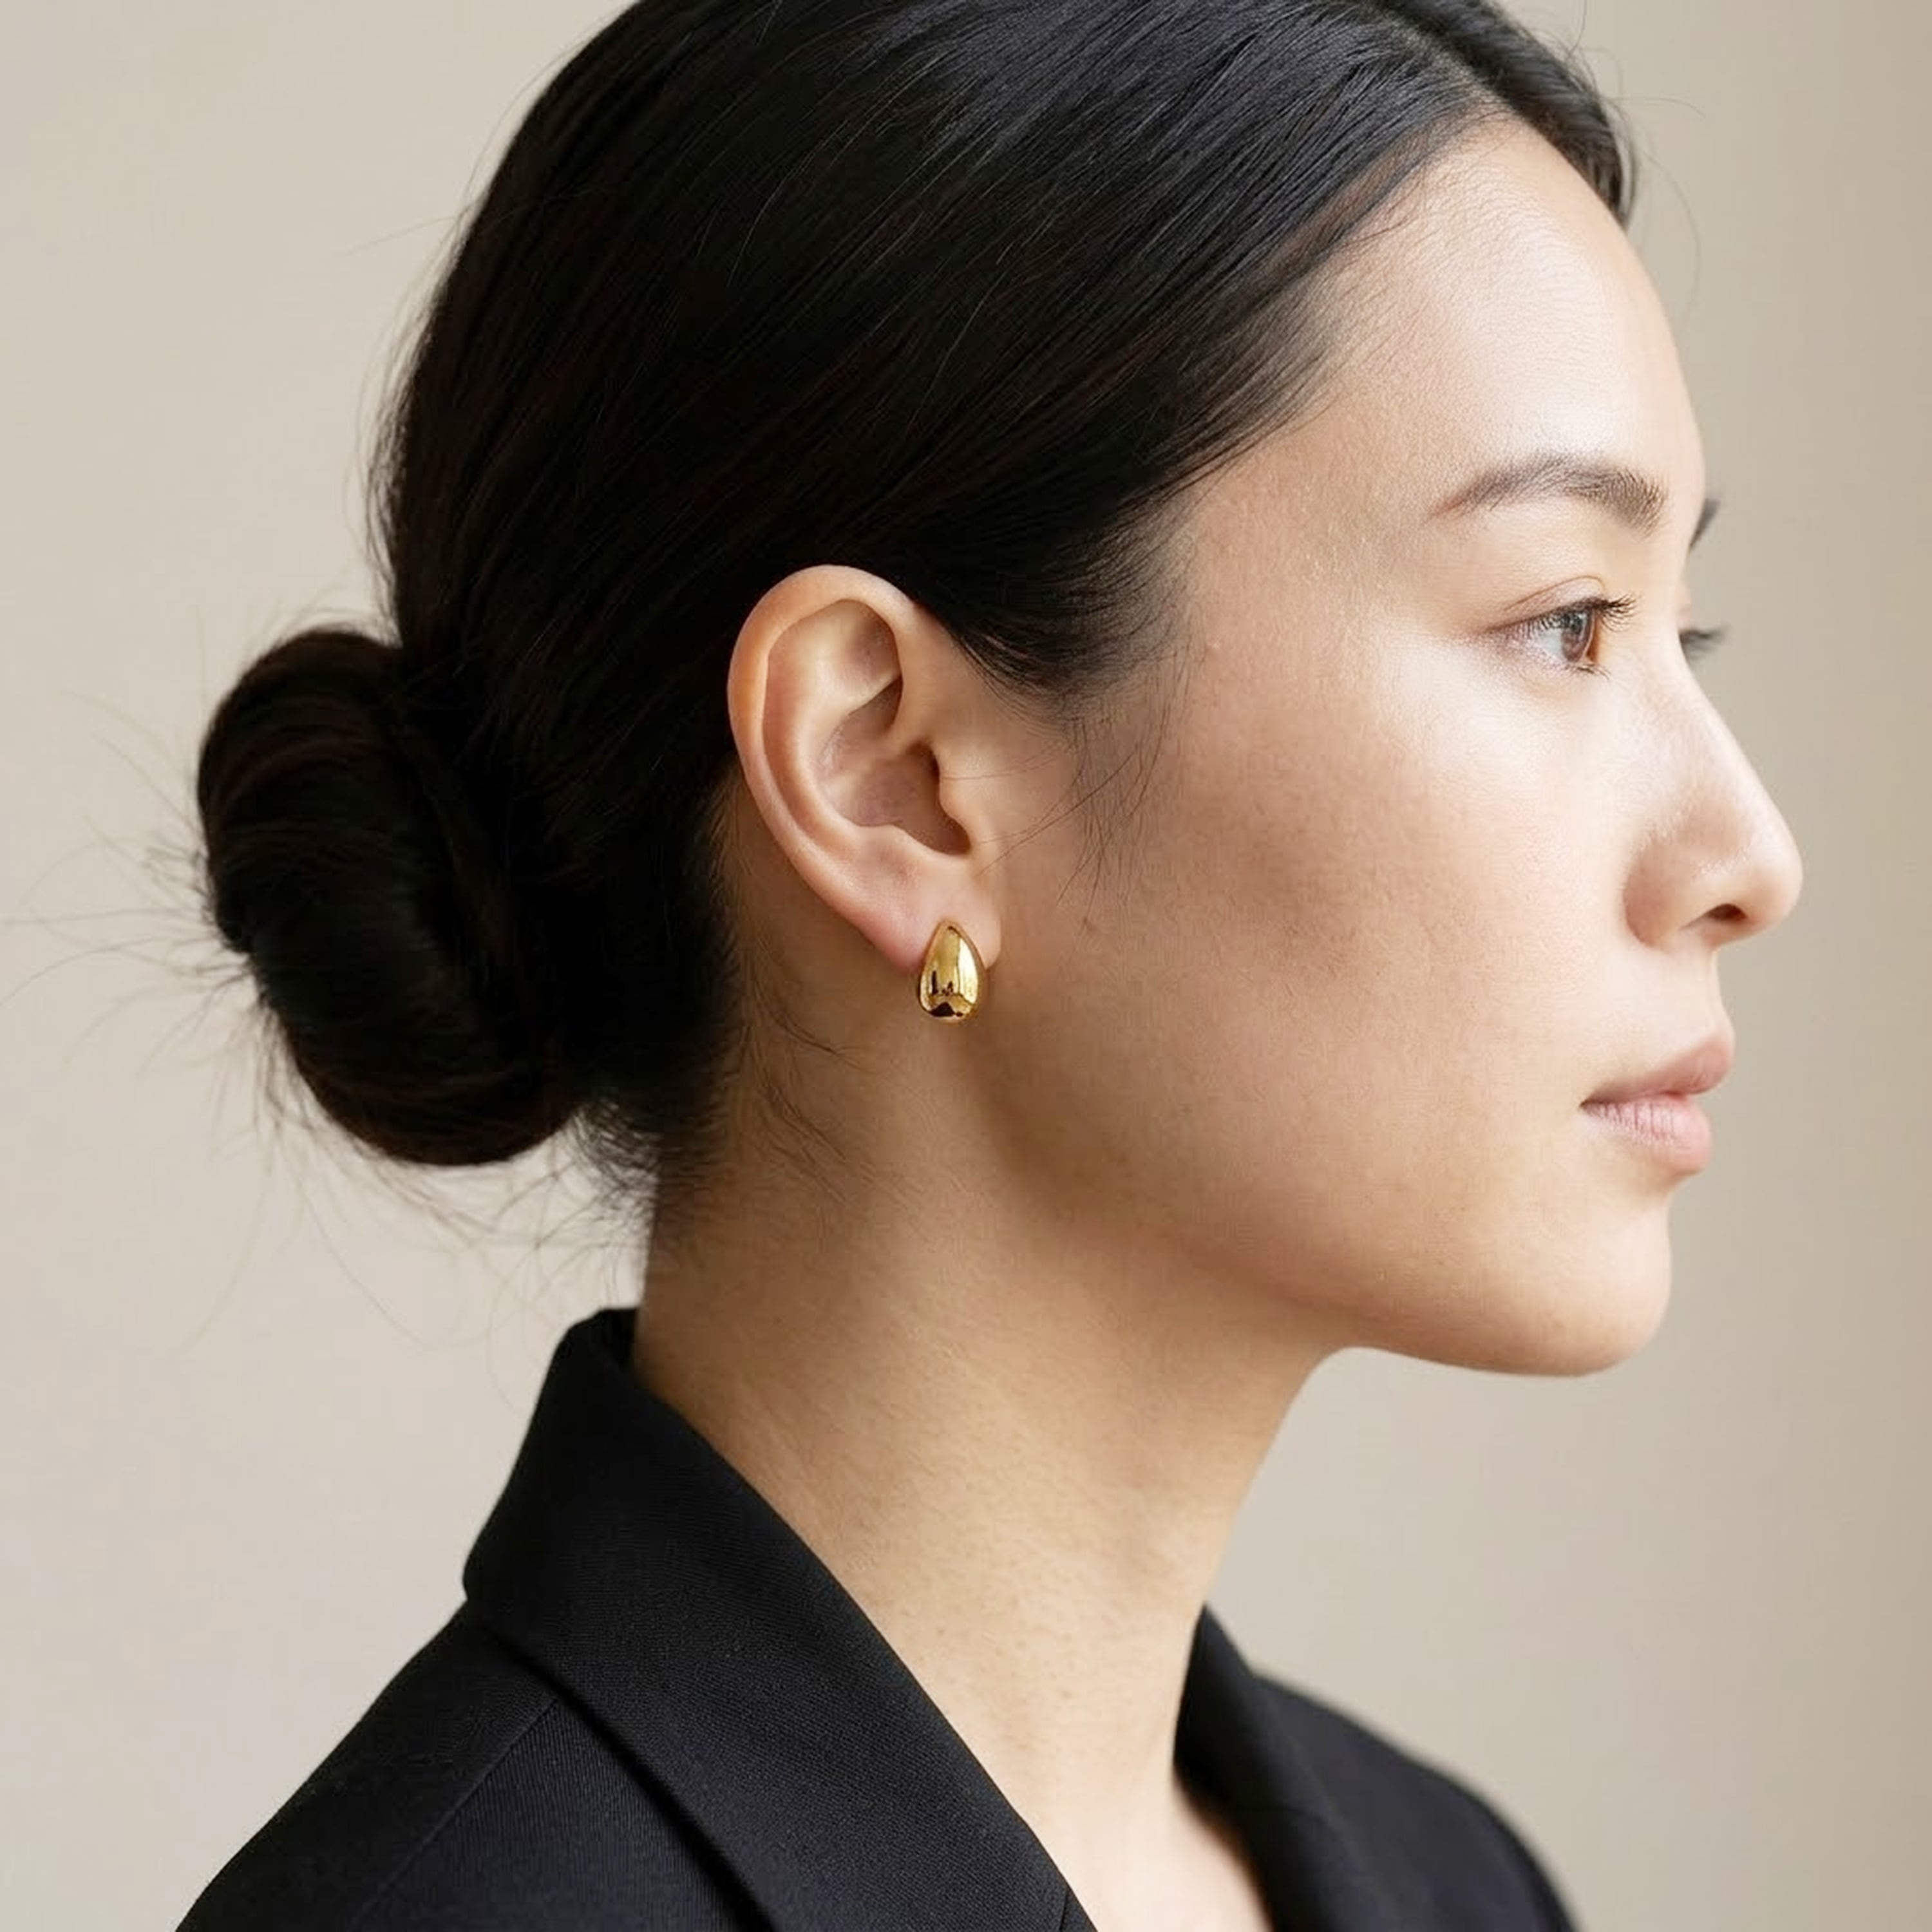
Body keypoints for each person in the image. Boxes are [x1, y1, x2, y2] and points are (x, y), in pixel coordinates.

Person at [175, 2, 1804, 1927]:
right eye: (1566, 622)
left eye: (1681, 636)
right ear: (895, 772)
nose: (1750, 859)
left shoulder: (1458, 1887)